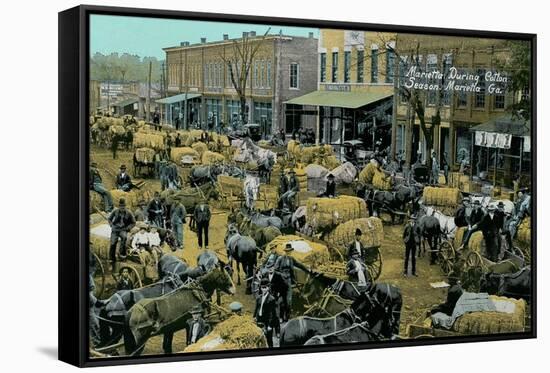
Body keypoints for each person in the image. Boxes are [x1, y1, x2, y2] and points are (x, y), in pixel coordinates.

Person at [274, 243, 312, 322]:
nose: (289, 252)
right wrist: (281, 275)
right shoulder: (280, 259)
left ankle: (287, 317)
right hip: (281, 281)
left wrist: (307, 269)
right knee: (282, 300)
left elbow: (299, 264)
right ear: (285, 251)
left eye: (290, 251)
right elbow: (275, 270)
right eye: (287, 251)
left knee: (289, 301)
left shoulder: (291, 259)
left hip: (289, 281)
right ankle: (281, 317)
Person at [108, 198, 136, 269]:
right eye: (121, 207)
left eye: (123, 207)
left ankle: (122, 255)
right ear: (119, 206)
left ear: (125, 206)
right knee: (113, 243)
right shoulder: (115, 211)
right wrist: (111, 225)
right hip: (115, 229)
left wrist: (128, 228)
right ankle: (111, 260)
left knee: (124, 237)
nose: (122, 209)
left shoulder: (129, 213)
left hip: (123, 229)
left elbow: (133, 222)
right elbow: (109, 219)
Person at [253, 278, 280, 348]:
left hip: (267, 321)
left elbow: (272, 313)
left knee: (269, 339)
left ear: (268, 287)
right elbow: (256, 309)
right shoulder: (259, 298)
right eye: (262, 288)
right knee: (259, 337)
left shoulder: (271, 299)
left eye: (265, 288)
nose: (263, 289)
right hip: (259, 320)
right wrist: (254, 317)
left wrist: (270, 325)